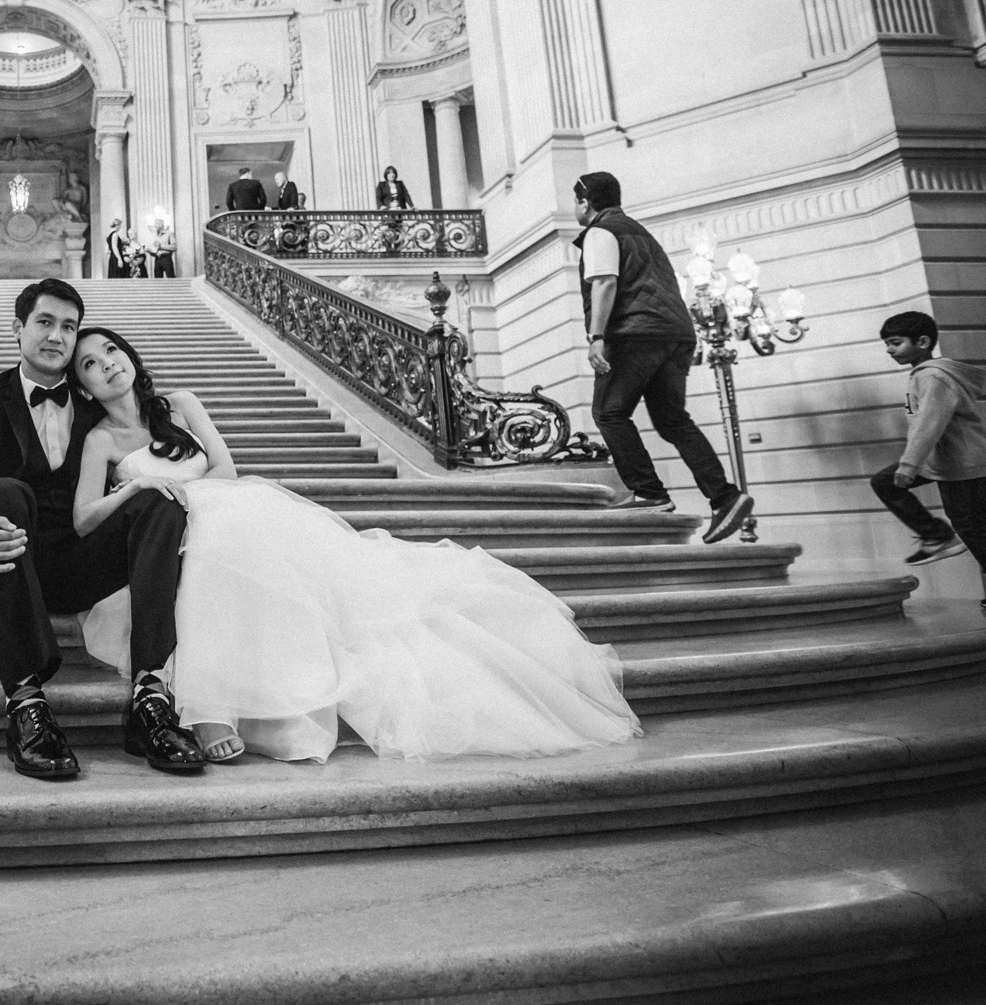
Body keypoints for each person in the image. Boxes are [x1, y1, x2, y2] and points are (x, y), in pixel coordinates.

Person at [69, 326, 641, 764]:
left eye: (111, 352)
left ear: (130, 356)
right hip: (166, 531)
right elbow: (83, 520)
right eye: (90, 365)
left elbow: (224, 465)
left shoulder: (181, 403)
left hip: (224, 504)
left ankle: (221, 706)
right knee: (206, 559)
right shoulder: (100, 440)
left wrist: (189, 495)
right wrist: (141, 486)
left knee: (239, 549)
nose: (107, 366)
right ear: (84, 386)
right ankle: (212, 709)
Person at [0, 279, 206, 779]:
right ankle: (27, 704)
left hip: (78, 562)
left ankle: (150, 697)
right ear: (18, 329)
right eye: (45, 323)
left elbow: (147, 437)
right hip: (1, 561)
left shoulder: (98, 405)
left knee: (157, 499)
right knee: (5, 491)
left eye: (68, 327)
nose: (57, 336)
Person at [574, 171, 752, 543]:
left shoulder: (600, 232)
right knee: (673, 421)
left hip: (635, 333)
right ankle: (725, 496)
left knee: (609, 411)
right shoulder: (642, 233)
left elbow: (605, 281)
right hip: (677, 334)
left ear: (585, 202)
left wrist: (597, 336)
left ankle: (650, 493)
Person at [869, 311, 986, 609]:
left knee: (970, 526)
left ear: (922, 341)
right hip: (946, 460)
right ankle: (940, 537)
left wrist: (909, 465)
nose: (889, 350)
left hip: (957, 461)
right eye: (887, 344)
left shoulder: (933, 376)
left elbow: (930, 422)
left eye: (895, 343)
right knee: (889, 485)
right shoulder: (927, 374)